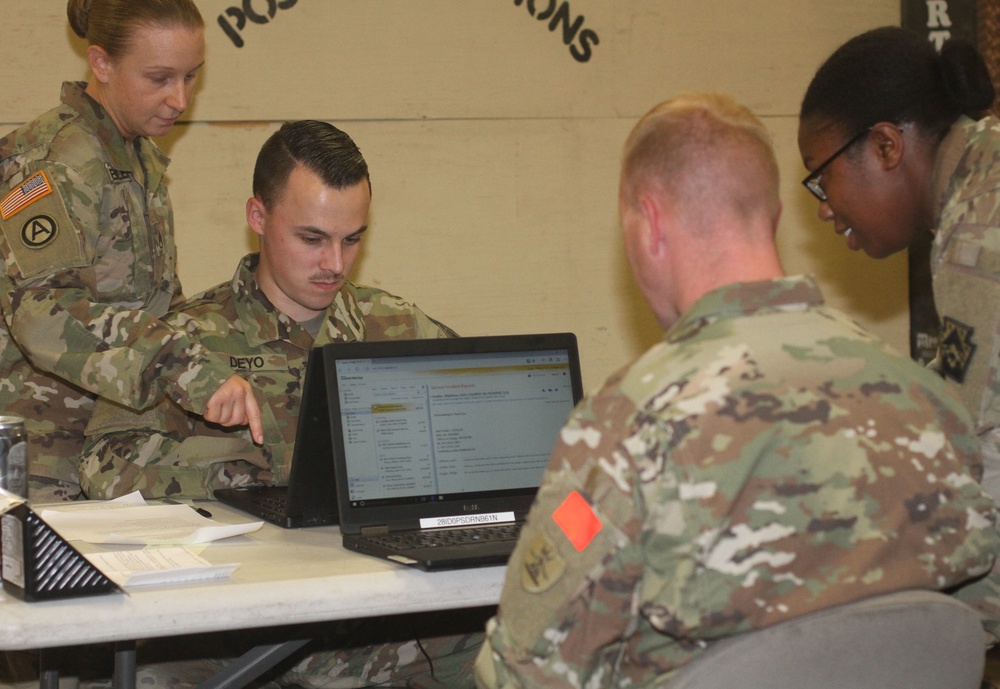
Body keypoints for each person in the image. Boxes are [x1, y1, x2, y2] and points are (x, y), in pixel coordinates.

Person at [474, 92, 1000, 688]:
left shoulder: (628, 424)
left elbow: (525, 668)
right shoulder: (930, 404)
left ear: (649, 224)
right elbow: (974, 613)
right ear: (772, 218)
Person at [73, 120, 483, 689]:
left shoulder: (396, 327)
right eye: (312, 238)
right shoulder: (185, 342)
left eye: (353, 238)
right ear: (258, 218)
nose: (335, 264)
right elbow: (103, 464)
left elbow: (480, 431)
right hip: (238, 637)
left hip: (382, 629)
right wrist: (233, 476)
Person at [0, 0, 262, 505]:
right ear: (101, 63)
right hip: (37, 466)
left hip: (110, 454)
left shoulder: (134, 156)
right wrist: (183, 367)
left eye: (191, 77)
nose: (180, 99)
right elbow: (44, 314)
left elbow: (156, 305)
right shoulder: (55, 163)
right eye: (160, 78)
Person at [796, 26, 1000, 502]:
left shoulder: (976, 234)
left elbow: (964, 451)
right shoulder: (984, 164)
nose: (824, 207)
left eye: (824, 178)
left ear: (886, 145)